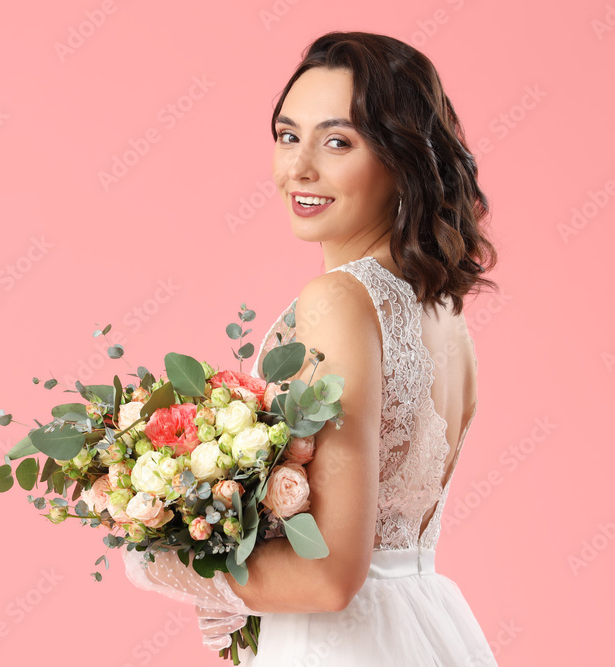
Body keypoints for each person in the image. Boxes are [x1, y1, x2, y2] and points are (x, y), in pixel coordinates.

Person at [123, 31, 500, 665]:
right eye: (287, 135)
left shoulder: (340, 300)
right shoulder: (440, 311)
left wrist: (160, 563)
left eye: (337, 142)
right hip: (420, 623)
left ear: (401, 159)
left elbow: (328, 577)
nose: (299, 167)